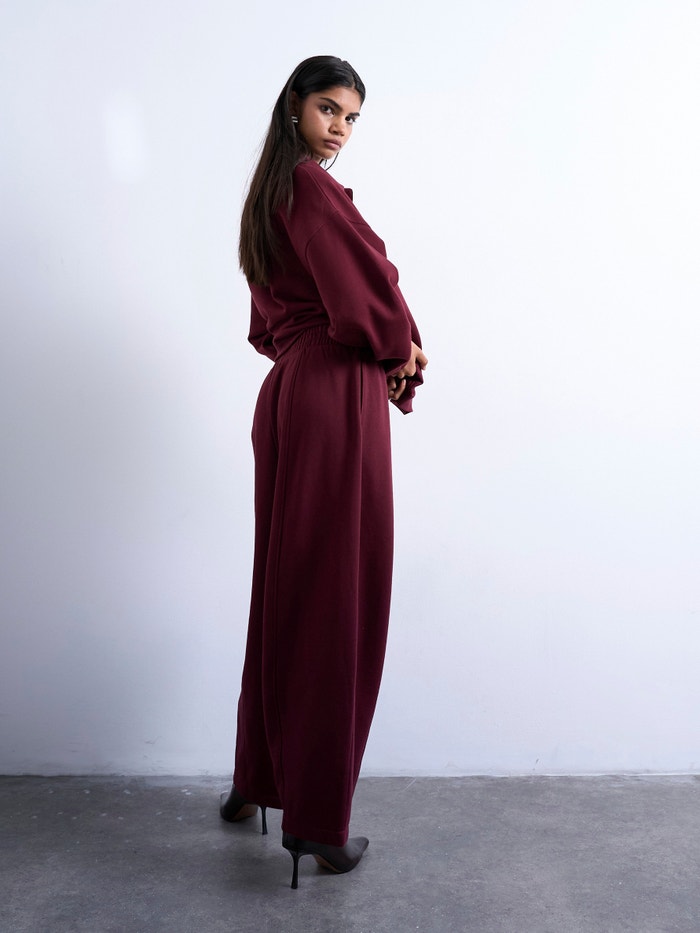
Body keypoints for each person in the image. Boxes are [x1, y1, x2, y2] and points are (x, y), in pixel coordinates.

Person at [219, 55, 427, 889]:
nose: (340, 128)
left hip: (290, 392)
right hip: (335, 393)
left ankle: (256, 780)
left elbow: (277, 319)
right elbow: (363, 294)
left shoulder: (270, 192)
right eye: (330, 109)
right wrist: (400, 346)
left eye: (352, 117)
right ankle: (316, 820)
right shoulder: (311, 187)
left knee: (288, 586)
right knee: (337, 597)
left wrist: (388, 340)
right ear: (295, 107)